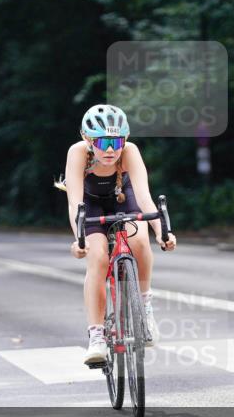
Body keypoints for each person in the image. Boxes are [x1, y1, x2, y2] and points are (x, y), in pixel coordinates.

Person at [60, 104, 177, 365]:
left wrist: (162, 232)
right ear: (87, 139)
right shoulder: (77, 154)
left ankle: (144, 308)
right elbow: (74, 204)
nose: (111, 149)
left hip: (123, 197)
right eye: (103, 142)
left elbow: (145, 198)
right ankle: (97, 336)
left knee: (139, 239)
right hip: (89, 205)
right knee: (98, 257)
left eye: (117, 140)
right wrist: (79, 239)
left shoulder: (129, 152)